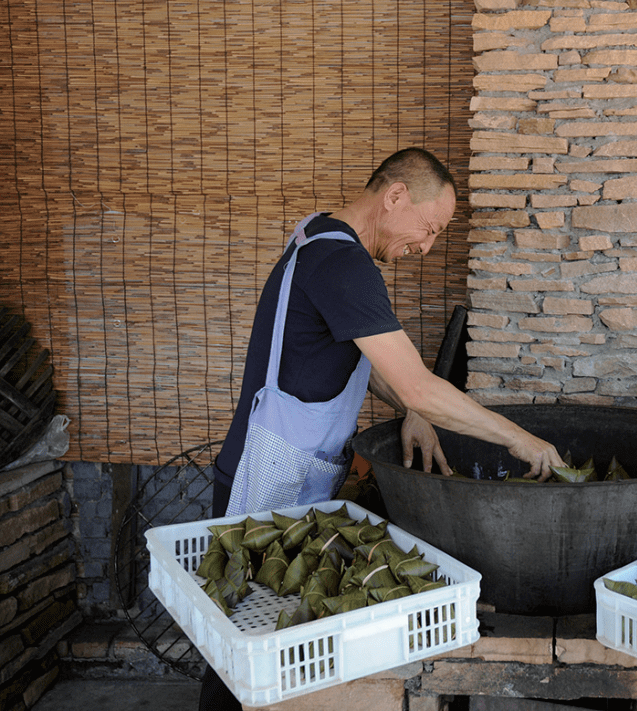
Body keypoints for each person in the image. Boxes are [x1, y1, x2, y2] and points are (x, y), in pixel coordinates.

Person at [199, 147, 563, 711]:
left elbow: (371, 368)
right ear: (395, 196)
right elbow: (416, 383)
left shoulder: (319, 238)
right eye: (430, 228)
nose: (427, 247)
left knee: (267, 648)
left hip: (286, 476)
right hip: (259, 479)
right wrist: (518, 438)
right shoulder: (344, 264)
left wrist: (414, 411)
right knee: (239, 659)